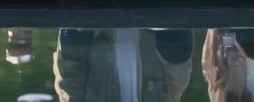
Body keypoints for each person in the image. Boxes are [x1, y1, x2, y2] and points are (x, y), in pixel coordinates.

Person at [54, 28, 194, 102]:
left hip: (97, 10)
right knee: (177, 47)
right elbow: (177, 76)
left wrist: (80, 29)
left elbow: (69, 72)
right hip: (153, 10)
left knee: (75, 36)